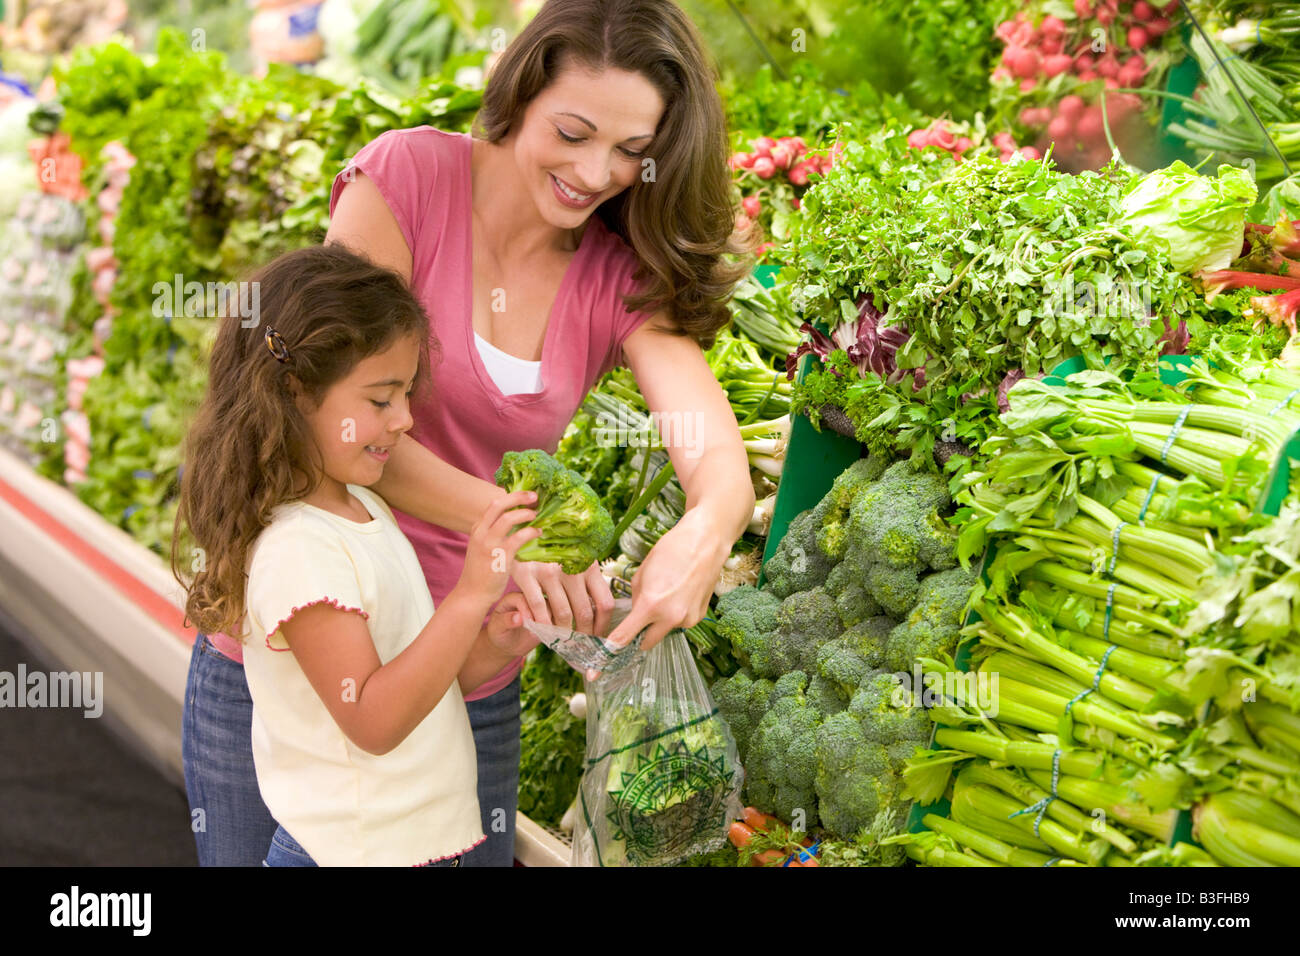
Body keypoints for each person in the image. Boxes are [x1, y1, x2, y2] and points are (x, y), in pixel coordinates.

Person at [182, 0, 757, 866]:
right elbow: (338, 419)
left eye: (632, 153)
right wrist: (510, 532)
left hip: (463, 665)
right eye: (573, 131)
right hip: (291, 652)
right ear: (522, 91)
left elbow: (713, 451)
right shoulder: (408, 179)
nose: (595, 171)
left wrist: (706, 534)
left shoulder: (615, 274)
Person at [174, 244, 544, 866]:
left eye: (406, 395)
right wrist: (472, 595)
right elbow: (372, 719)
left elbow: (420, 683)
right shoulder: (298, 550)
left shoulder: (361, 508)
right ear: (293, 393)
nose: (403, 420)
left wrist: (492, 644)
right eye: (380, 399)